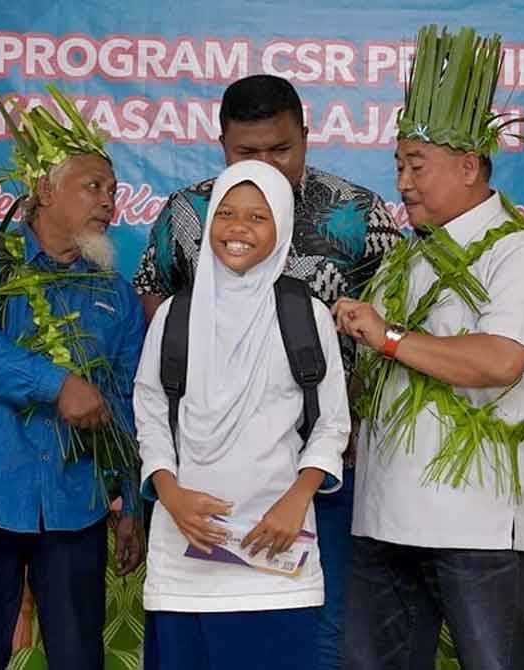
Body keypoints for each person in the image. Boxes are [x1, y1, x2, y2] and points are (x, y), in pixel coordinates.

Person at [132, 73, 402, 669]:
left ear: (306, 134)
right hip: (197, 477)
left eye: (281, 149)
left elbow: (395, 326)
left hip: (318, 470)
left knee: (317, 631)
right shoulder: (186, 214)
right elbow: (156, 331)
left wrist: (321, 459)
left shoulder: (358, 214)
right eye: (246, 153)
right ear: (221, 142)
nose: (267, 165)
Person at [335, 25, 524, 670]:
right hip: (384, 512)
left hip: (477, 525)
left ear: (469, 167)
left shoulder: (520, 256)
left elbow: (499, 361)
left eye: (417, 164)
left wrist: (387, 336)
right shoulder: (406, 257)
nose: (403, 181)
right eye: (398, 165)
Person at [0, 88, 145, 669]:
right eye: (93, 187)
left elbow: (125, 400)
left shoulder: (115, 294)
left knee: (79, 658)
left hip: (78, 506)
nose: (109, 202)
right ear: (45, 189)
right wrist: (57, 384)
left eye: (113, 190)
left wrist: (131, 502)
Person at [133, 160, 350, 670]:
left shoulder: (305, 314)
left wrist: (298, 498)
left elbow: (331, 421)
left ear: (281, 227)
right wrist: (171, 495)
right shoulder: (175, 316)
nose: (238, 228)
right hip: (185, 560)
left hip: (275, 559)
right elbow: (150, 414)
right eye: (226, 213)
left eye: (257, 217)